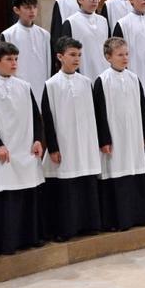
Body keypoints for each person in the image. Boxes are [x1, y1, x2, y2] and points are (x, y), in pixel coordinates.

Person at [0, 41, 45, 254]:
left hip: (26, 149)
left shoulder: (24, 86)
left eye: (16, 59)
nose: (14, 63)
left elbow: (36, 116)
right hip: (4, 152)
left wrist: (38, 139)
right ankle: (9, 242)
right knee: (8, 199)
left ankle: (31, 237)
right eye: (9, 59)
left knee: (29, 194)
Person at [41, 37, 102, 241]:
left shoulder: (86, 82)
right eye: (72, 55)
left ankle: (89, 225)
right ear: (60, 57)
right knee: (67, 187)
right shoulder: (51, 85)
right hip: (65, 143)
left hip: (85, 142)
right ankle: (66, 229)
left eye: (79, 55)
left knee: (86, 182)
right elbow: (47, 119)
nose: (77, 59)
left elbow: (96, 114)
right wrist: (53, 147)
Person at [93, 37, 145, 231]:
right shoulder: (103, 80)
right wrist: (105, 139)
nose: (125, 58)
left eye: (127, 54)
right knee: (117, 173)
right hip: (115, 137)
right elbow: (100, 113)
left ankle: (139, 216)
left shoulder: (133, 78)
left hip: (134, 135)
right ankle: (117, 220)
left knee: (135, 170)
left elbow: (143, 107)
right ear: (108, 57)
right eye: (120, 55)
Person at [1, 0, 52, 106]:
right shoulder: (8, 35)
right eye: (27, 7)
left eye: (34, 7)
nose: (32, 11)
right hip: (18, 87)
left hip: (41, 85)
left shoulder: (44, 34)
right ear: (16, 10)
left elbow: (49, 62)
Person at [61, 0, 110, 78]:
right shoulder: (71, 22)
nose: (94, 1)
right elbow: (66, 52)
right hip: (83, 70)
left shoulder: (103, 20)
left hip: (103, 70)